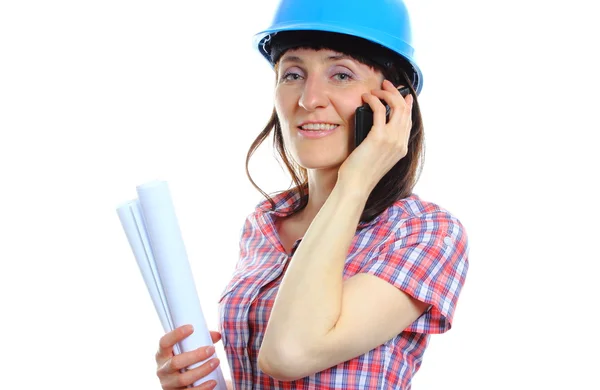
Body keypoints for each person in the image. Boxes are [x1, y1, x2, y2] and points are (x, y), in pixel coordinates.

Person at [155, 0, 469, 388]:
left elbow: (289, 354)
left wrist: (356, 181)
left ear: (394, 103)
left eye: (341, 75)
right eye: (293, 74)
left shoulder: (423, 232)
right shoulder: (266, 221)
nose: (308, 99)